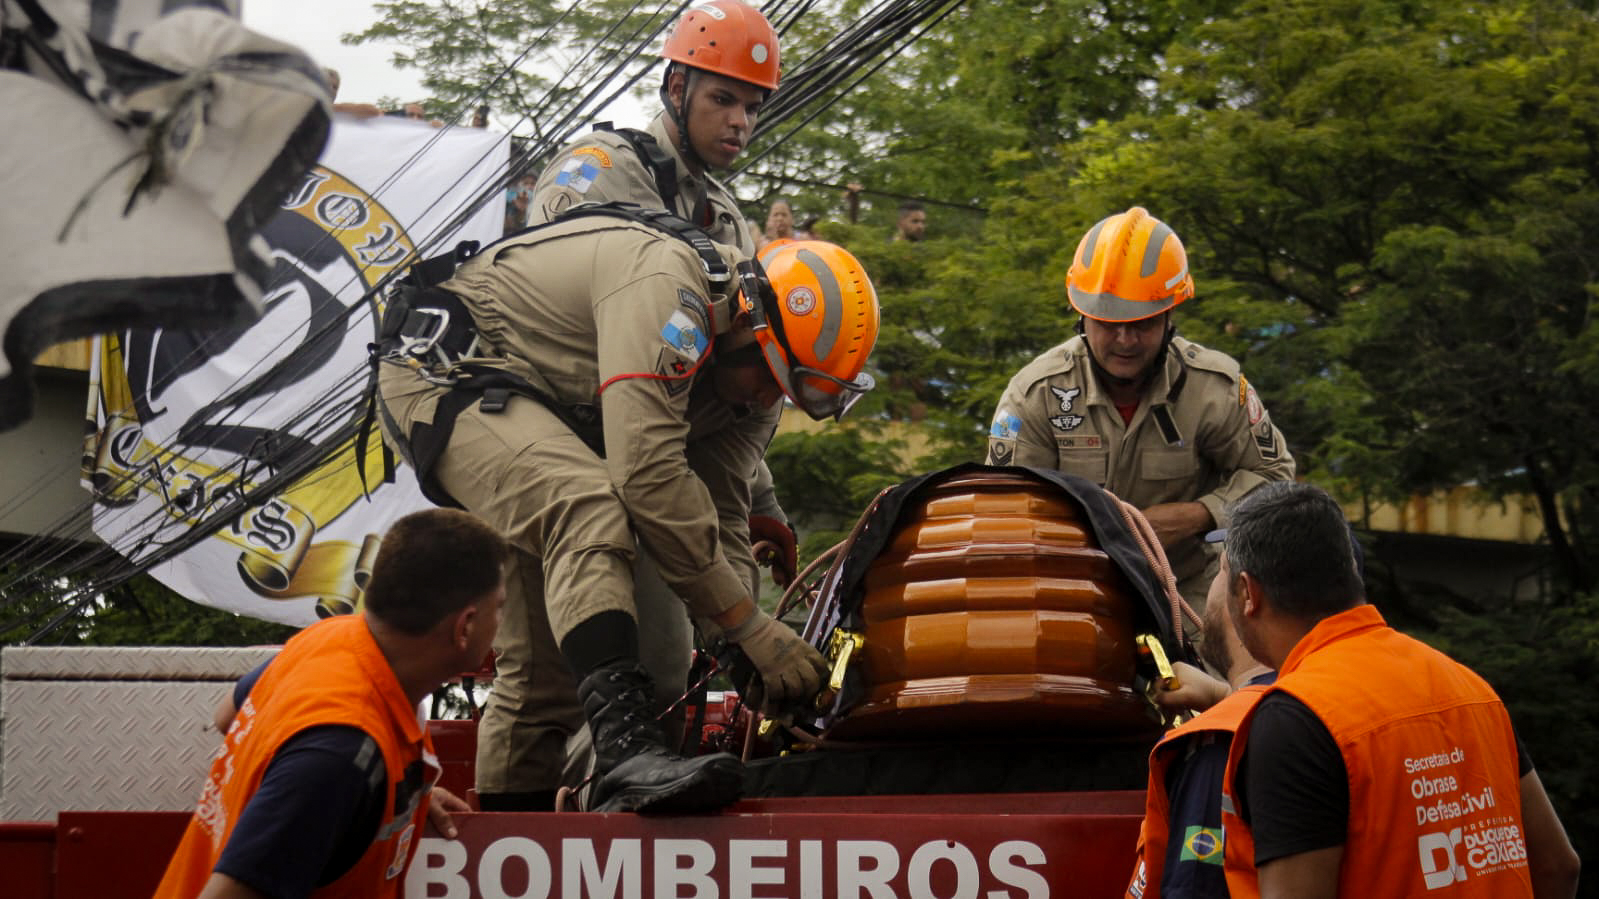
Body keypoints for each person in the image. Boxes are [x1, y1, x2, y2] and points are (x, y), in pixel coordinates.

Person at [376, 205, 880, 814]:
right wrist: (747, 625)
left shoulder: (756, 391)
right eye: (769, 377)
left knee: (543, 686)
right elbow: (647, 477)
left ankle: (514, 854)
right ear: (748, 327)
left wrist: (745, 651)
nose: (770, 398)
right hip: (448, 372)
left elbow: (718, 521)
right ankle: (625, 751)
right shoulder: (669, 294)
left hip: (556, 413)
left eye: (788, 390)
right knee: (586, 504)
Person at [1218, 482, 1581, 898]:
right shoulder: (1469, 687)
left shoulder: (1296, 719)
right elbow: (1558, 866)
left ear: (1248, 592)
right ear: (1349, 571)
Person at [155, 509, 510, 899]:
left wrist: (384, 805)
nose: (501, 621)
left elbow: (228, 715)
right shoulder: (339, 757)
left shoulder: (331, 637)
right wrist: (329, 797)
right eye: (500, 607)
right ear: (466, 627)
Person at [985, 207, 1294, 613]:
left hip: (1186, 594)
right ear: (1082, 316)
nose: (1125, 340)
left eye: (1143, 323)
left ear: (1170, 315)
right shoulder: (1036, 394)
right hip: (1068, 590)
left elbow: (1276, 476)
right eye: (1108, 323)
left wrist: (1195, 515)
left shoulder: (1213, 388)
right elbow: (1002, 509)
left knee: (1221, 674)